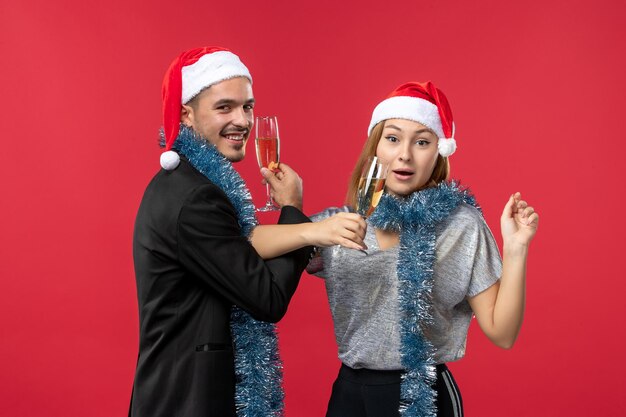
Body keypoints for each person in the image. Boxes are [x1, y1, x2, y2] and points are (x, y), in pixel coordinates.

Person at [129, 46, 366, 417]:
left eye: (248, 106)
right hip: (188, 400)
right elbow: (266, 298)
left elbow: (243, 248)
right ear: (186, 115)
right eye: (224, 107)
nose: (242, 120)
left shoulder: (193, 183)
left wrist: (313, 231)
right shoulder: (194, 198)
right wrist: (294, 211)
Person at [306, 81, 539, 417]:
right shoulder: (338, 224)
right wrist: (294, 212)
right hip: (349, 395)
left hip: (424, 396)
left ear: (438, 152)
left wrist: (516, 248)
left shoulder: (461, 225)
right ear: (375, 148)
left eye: (422, 142)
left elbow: (502, 334)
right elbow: (256, 257)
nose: (405, 154)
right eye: (392, 138)